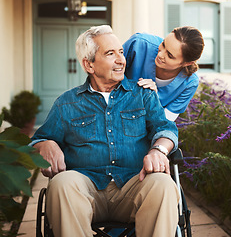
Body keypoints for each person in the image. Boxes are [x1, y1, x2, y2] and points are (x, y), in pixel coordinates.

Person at [30, 25, 180, 237]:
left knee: (163, 184)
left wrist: (158, 150)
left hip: (134, 185)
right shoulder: (66, 103)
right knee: (61, 183)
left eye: (121, 52)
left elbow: (166, 128)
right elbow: (38, 139)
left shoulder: (143, 94)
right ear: (89, 65)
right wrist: (45, 144)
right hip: (86, 189)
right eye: (110, 54)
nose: (121, 60)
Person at [123, 26, 204, 121]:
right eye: (163, 44)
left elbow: (163, 122)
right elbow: (105, 75)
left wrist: (153, 99)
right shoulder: (138, 43)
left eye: (170, 55)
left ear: (187, 63)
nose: (160, 55)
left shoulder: (189, 83)